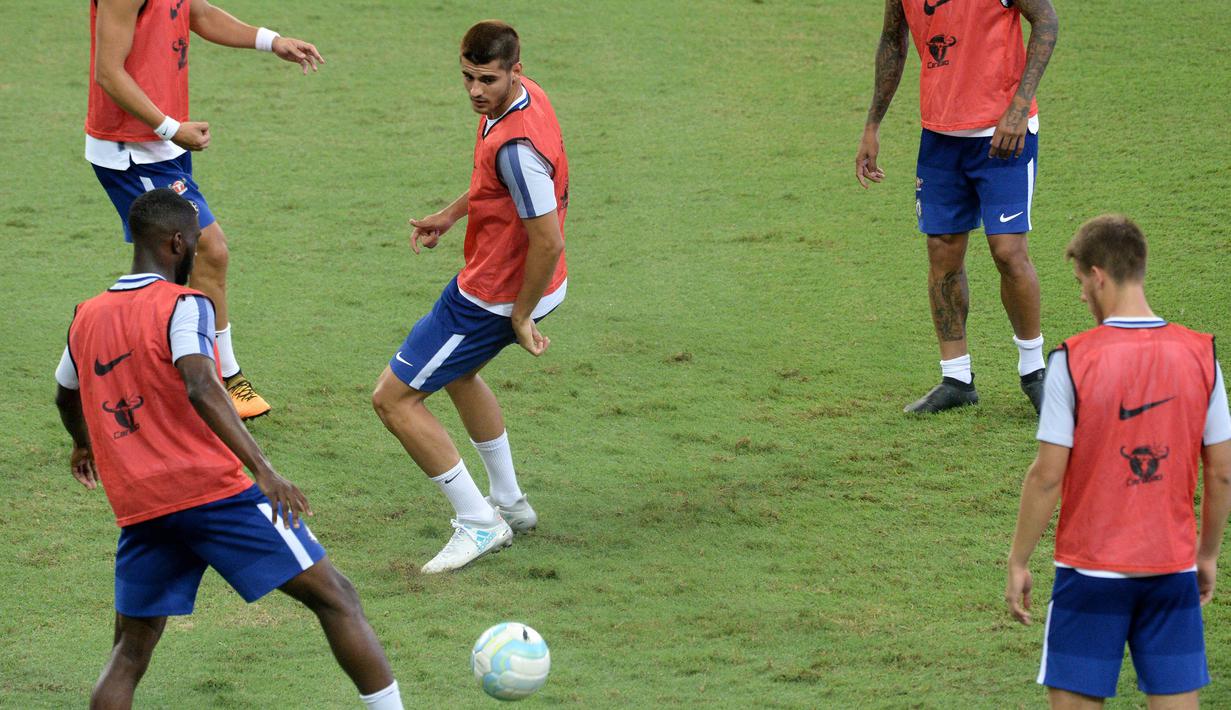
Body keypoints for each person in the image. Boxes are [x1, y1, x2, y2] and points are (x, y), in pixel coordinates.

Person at [54, 189, 403, 710]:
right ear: (177, 242)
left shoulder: (86, 315)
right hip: (211, 492)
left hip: (139, 505)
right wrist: (263, 469)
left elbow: (65, 394)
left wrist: (83, 443)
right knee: (337, 598)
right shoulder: (185, 305)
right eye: (193, 241)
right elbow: (200, 382)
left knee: (130, 650)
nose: (196, 249)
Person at [1004, 215, 1231, 708]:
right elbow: (1221, 471)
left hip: (1090, 573)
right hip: (1170, 568)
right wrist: (1207, 554)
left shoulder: (1073, 360)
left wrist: (1019, 559)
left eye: (1081, 283)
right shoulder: (1202, 355)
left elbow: (1046, 477)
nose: (1082, 295)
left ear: (1099, 275)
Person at [371, 20, 569, 574]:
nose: (475, 90)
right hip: (511, 281)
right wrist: (451, 213)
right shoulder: (522, 103)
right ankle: (509, 502)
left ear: (515, 71)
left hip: (494, 294)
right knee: (460, 373)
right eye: (467, 77)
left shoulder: (517, 148)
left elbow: (548, 239)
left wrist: (521, 315)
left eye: (487, 79)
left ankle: (479, 523)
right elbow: (494, 190)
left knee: (393, 399)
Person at [86, 0, 325, 419]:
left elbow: (194, 12)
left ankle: (149, 369)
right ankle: (222, 378)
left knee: (173, 267)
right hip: (133, 147)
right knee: (205, 250)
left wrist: (271, 41)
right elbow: (108, 71)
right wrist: (169, 127)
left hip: (162, 139)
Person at [855, 0, 1059, 414]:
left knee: (1008, 252)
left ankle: (1035, 372)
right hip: (941, 135)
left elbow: (1046, 21)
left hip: (1004, 133)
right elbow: (892, 42)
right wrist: (872, 125)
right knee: (942, 250)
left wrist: (1019, 106)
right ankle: (956, 377)